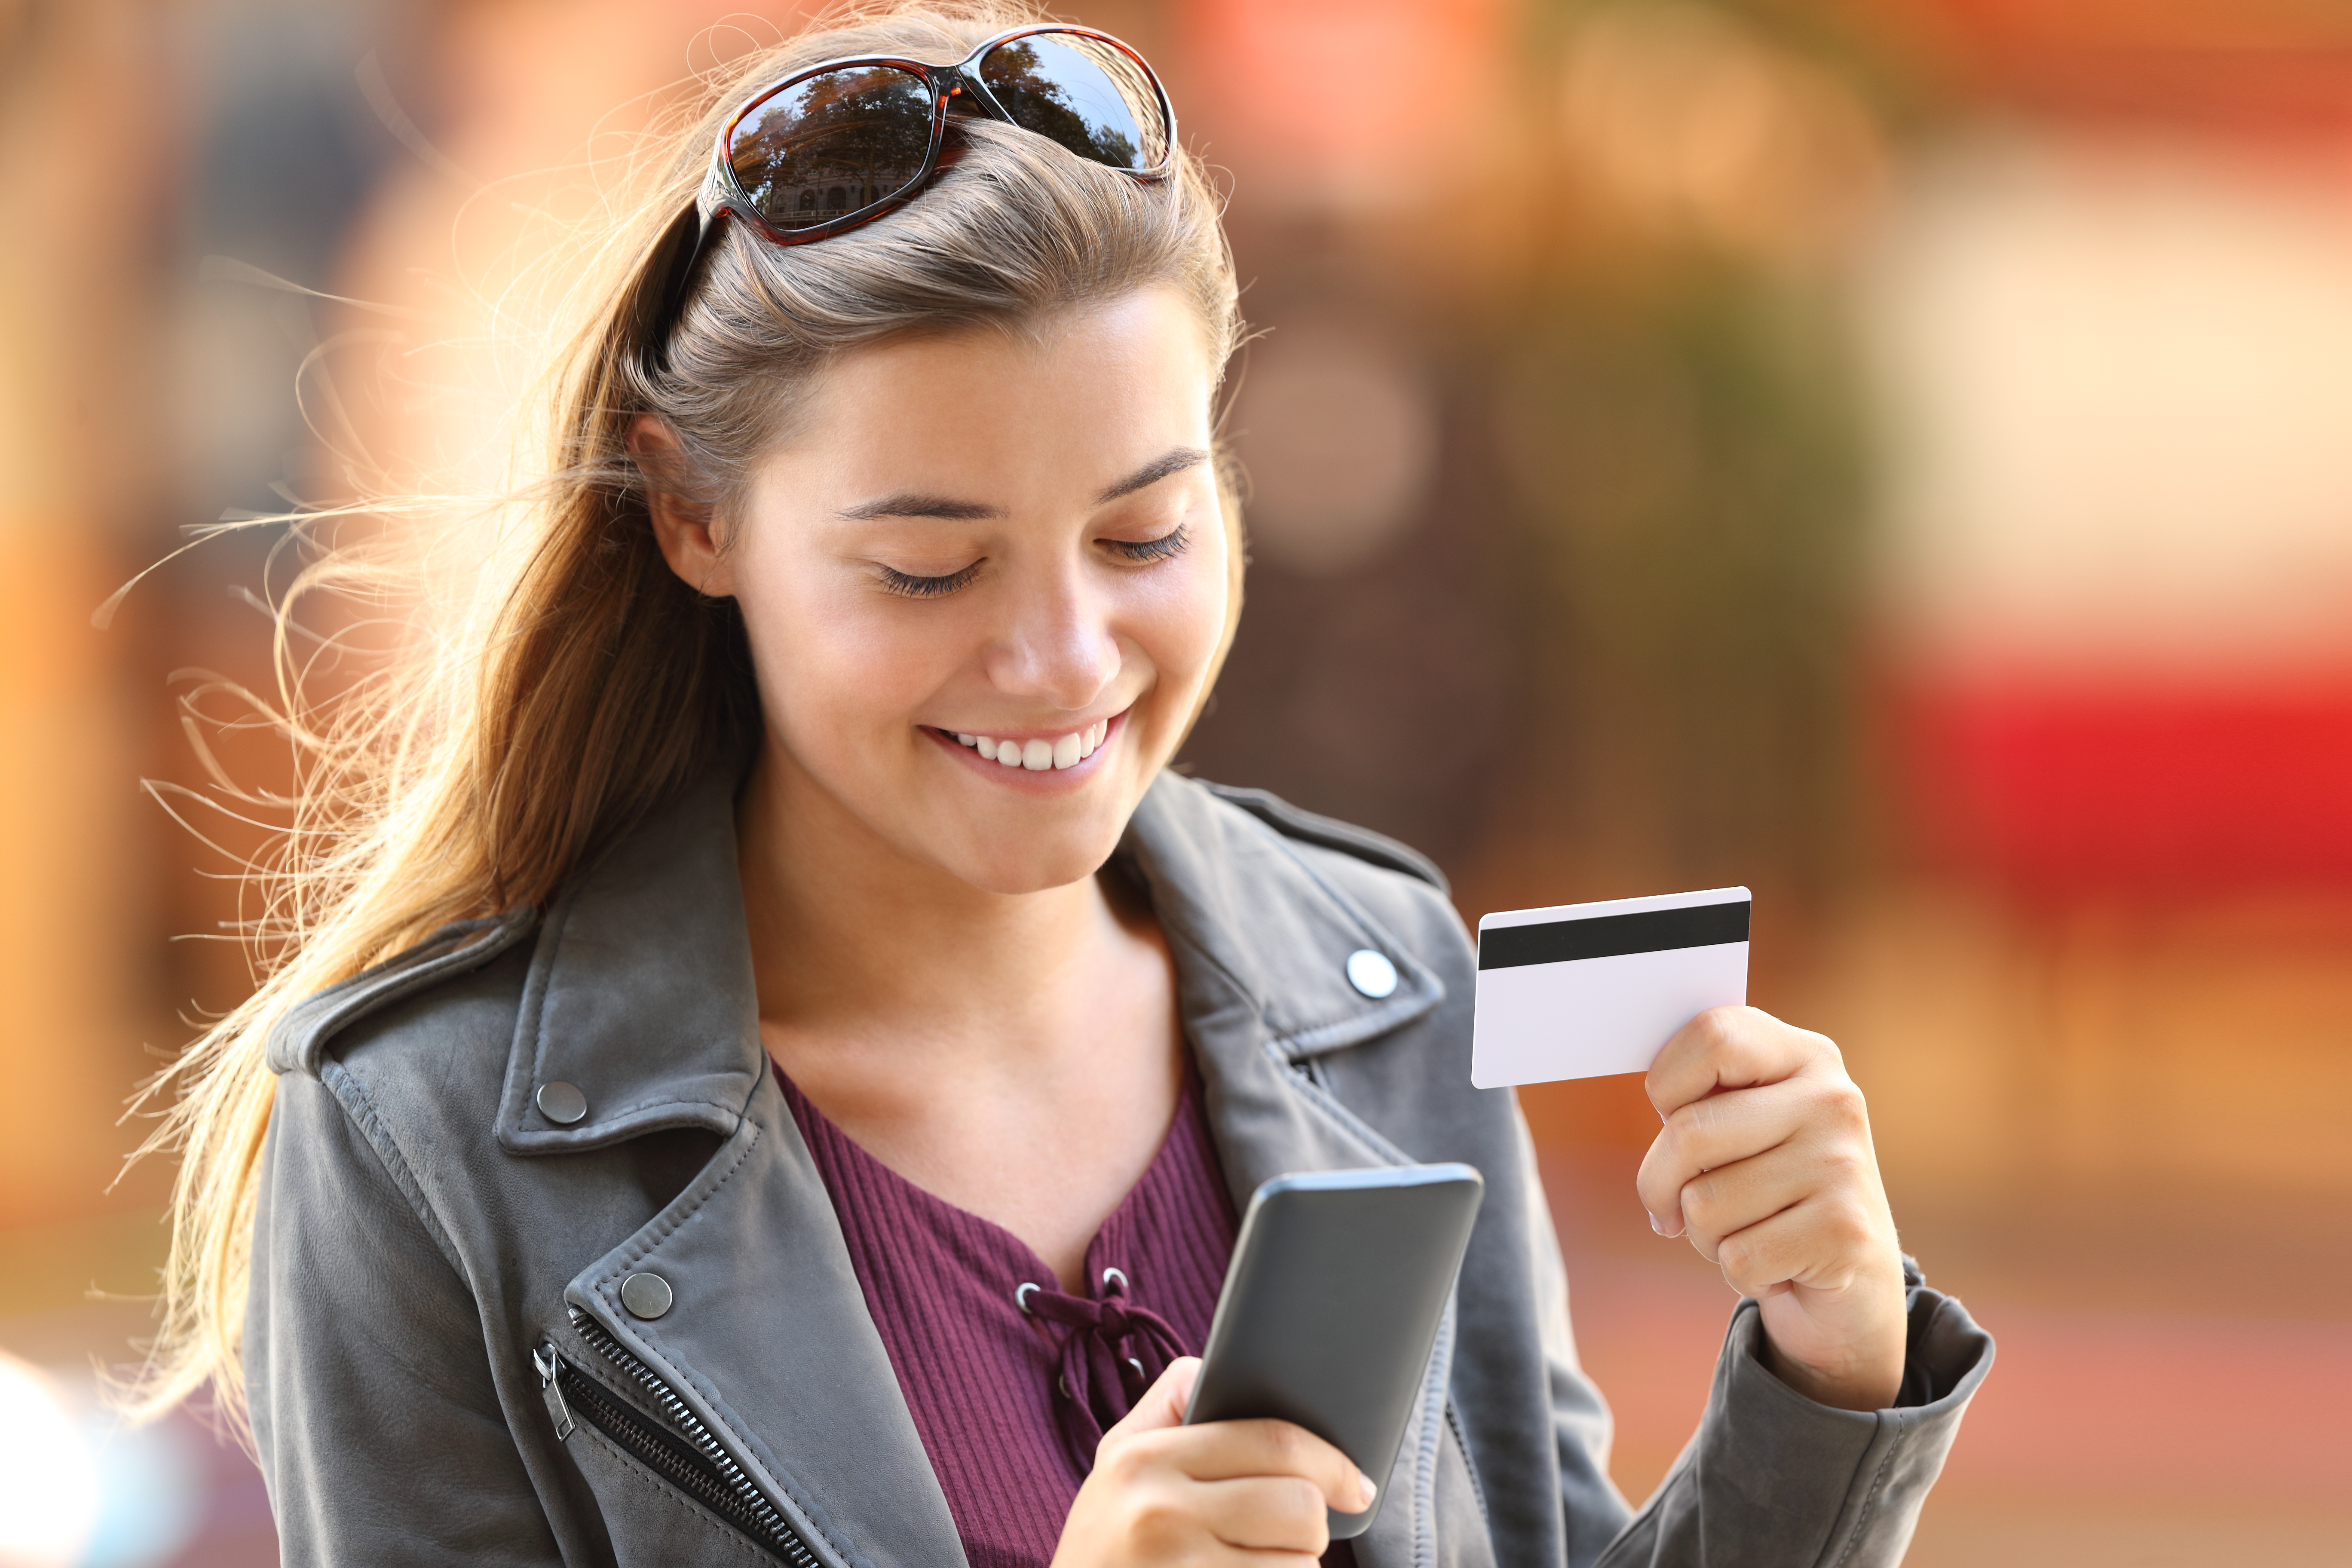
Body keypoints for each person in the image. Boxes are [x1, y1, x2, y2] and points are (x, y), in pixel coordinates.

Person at [137, 4, 1991, 1564]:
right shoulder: (420, 1142)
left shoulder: (1387, 980)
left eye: (1147, 532)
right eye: (930, 567)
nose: (1065, 659)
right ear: (694, 512)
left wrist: (1826, 1377)